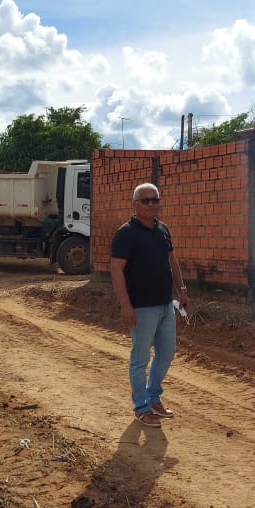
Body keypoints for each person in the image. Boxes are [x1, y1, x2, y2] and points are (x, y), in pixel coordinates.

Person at [110, 183, 191, 428]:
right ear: (135, 205)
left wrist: (182, 290)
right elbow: (116, 269)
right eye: (145, 200)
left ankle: (153, 397)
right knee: (140, 358)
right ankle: (141, 407)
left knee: (166, 354)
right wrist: (125, 305)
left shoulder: (163, 229)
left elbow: (172, 260)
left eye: (154, 200)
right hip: (141, 307)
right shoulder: (126, 233)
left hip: (166, 304)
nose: (151, 204)